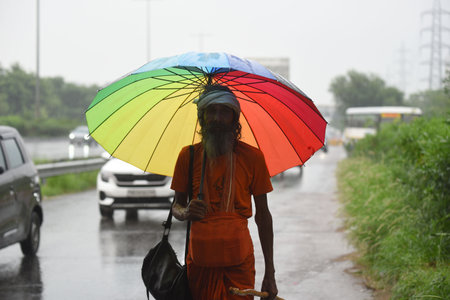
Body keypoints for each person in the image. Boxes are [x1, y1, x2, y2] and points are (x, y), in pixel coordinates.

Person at [171, 84, 278, 300]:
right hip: (199, 266)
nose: (217, 118)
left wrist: (270, 271)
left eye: (224, 111)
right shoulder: (188, 156)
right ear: (202, 116)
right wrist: (186, 212)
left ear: (234, 118)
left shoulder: (253, 157)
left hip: (239, 267)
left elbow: (263, 216)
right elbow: (176, 205)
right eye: (211, 111)